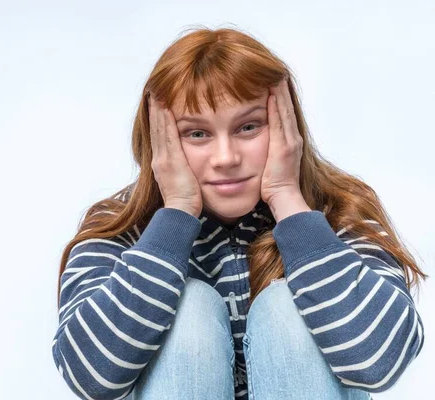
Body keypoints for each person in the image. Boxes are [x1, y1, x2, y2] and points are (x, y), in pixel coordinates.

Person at [51, 26, 427, 400]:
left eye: (248, 127)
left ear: (286, 125)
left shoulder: (338, 213)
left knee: (285, 309)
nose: (226, 158)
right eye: (197, 134)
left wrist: (288, 201)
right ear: (158, 138)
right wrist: (176, 214)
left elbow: (379, 363)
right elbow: (90, 378)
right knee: (189, 308)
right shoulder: (120, 228)